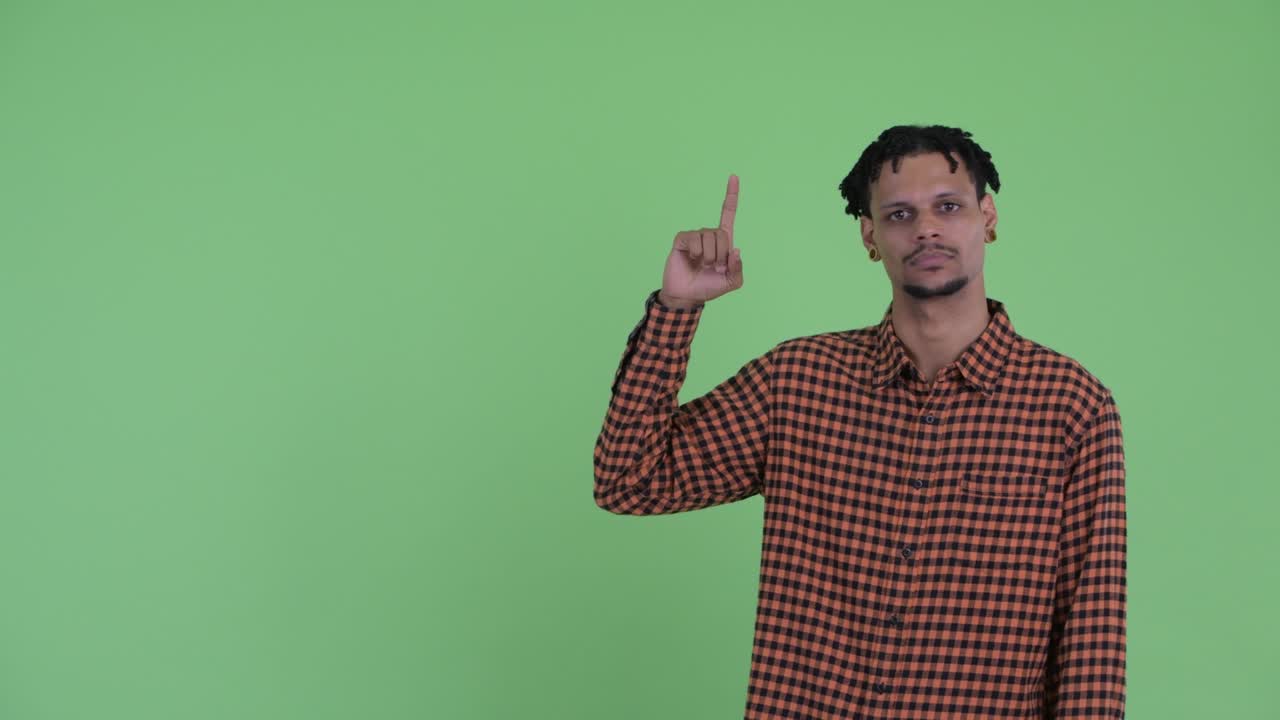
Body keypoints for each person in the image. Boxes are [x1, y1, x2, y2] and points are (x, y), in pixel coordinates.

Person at [593, 124, 1126, 719]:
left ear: (988, 216)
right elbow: (628, 480)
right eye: (899, 214)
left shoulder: (1070, 407)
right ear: (870, 236)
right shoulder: (796, 383)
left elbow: (1090, 642)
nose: (925, 228)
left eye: (947, 206)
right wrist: (678, 308)